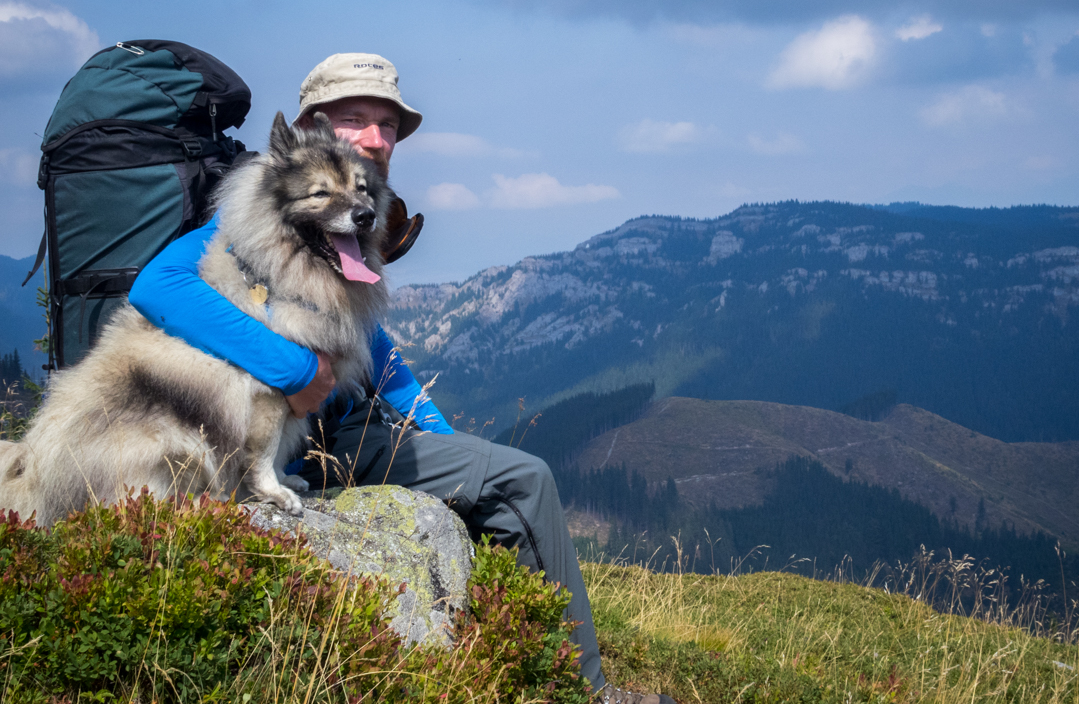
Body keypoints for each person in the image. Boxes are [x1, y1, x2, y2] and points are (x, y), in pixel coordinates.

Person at [129, 53, 675, 702]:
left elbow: (364, 336)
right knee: (525, 480)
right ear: (311, 124)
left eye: (388, 125)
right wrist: (297, 369)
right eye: (356, 118)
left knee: (498, 475)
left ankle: (519, 649)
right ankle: (586, 694)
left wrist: (436, 432)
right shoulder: (276, 199)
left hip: (344, 428)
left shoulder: (353, 206)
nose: (376, 138)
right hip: (310, 435)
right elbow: (157, 284)